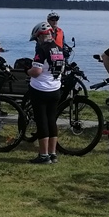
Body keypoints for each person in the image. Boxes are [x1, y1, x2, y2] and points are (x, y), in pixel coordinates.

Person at [25, 21, 66, 165]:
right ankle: (53, 153)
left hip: (40, 90)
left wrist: (27, 71)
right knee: (51, 120)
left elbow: (36, 71)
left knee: (42, 121)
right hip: (55, 89)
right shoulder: (59, 48)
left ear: (40, 36)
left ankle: (43, 155)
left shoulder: (42, 49)